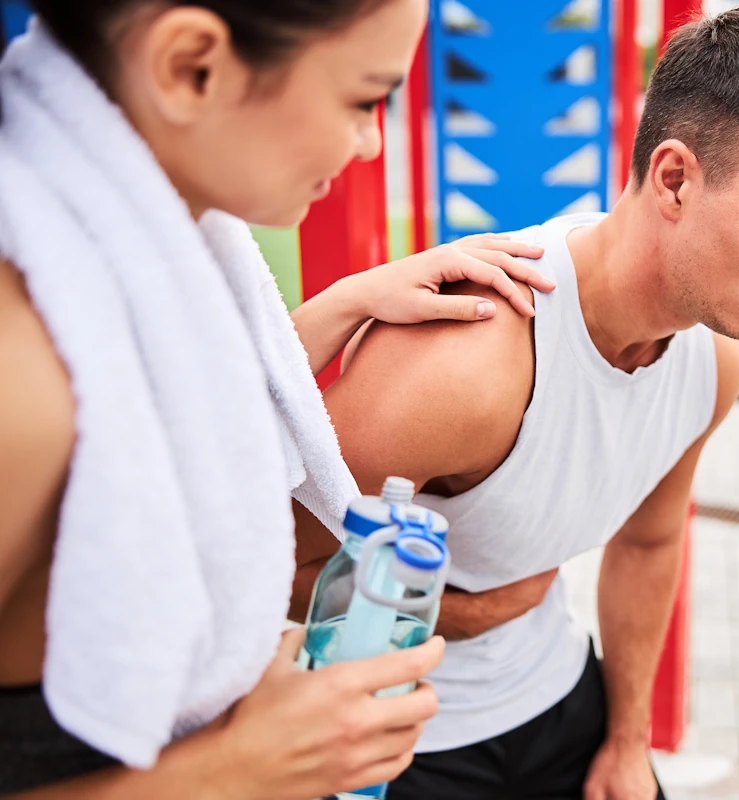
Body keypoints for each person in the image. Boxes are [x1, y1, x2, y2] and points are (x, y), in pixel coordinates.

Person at [293, 3, 739, 797]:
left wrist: (627, 740)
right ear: (675, 179)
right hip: (399, 745)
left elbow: (649, 545)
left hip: (559, 701)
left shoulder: (711, 359)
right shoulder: (466, 358)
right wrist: (463, 612)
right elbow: (261, 562)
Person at [0, 1, 555, 797]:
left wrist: (349, 301)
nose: (370, 144)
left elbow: (166, 393)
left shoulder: (136, 243)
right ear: (192, 66)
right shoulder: (20, 375)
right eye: (364, 99)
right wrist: (238, 768)